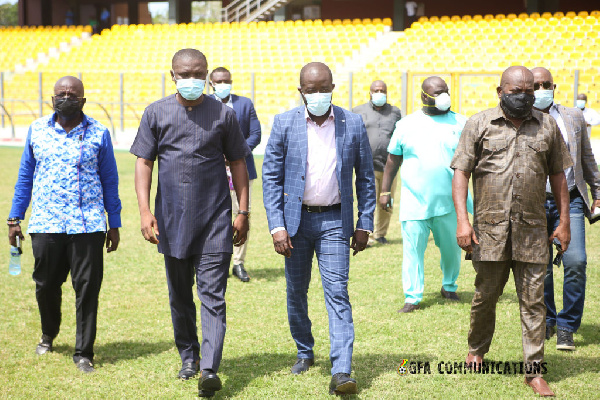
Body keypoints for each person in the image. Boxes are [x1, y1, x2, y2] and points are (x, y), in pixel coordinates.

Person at [130, 49, 250, 398]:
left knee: (213, 296)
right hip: (171, 220)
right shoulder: (156, 112)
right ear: (173, 76)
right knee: (180, 295)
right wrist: (144, 211)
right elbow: (143, 163)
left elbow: (239, 162)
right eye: (185, 74)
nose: (192, 79)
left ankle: (209, 369)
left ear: (208, 75)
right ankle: (188, 356)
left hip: (215, 220)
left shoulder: (224, 114)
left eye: (199, 73)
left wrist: (242, 211)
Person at [451, 66, 573, 397]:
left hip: (533, 231)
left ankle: (533, 371)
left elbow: (559, 176)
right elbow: (461, 173)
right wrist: (463, 220)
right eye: (515, 91)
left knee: (534, 302)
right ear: (500, 91)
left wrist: (565, 221)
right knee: (485, 296)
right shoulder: (478, 123)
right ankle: (476, 350)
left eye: (528, 92)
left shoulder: (546, 124)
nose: (522, 96)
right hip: (488, 231)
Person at [262, 62, 376, 396]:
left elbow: (366, 178)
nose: (317, 94)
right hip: (295, 223)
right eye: (310, 90)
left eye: (323, 88)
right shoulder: (284, 123)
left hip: (335, 222)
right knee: (296, 291)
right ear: (301, 91)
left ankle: (342, 370)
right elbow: (271, 178)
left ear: (333, 87)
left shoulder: (351, 123)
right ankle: (304, 350)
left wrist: (364, 223)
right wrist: (277, 225)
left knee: (337, 293)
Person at [7, 76, 121, 373]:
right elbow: (25, 179)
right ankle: (49, 333)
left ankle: (84, 351)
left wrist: (115, 223)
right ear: (52, 98)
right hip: (46, 221)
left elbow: (110, 180)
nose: (66, 97)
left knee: (86, 288)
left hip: (89, 223)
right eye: (61, 93)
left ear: (83, 100)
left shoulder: (99, 133)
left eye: (72, 94)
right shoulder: (36, 131)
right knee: (45, 284)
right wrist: (14, 218)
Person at [380, 76, 468, 313]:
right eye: (438, 92)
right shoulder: (407, 124)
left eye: (446, 91)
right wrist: (385, 190)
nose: (444, 96)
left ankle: (449, 286)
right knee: (412, 251)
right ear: (424, 96)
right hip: (414, 201)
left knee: (451, 249)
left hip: (450, 203)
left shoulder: (461, 123)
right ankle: (412, 296)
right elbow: (392, 158)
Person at [531, 67, 600, 351]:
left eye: (546, 84)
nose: (541, 89)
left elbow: (587, 158)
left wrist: (598, 192)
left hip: (569, 199)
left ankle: (567, 325)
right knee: (541, 267)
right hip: (534, 201)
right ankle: (547, 318)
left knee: (576, 261)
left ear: (555, 87)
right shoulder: (522, 119)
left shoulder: (573, 116)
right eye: (536, 85)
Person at [210, 67, 261, 282]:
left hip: (240, 171)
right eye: (219, 81)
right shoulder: (203, 104)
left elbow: (256, 134)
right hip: (212, 171)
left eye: (226, 81)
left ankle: (238, 263)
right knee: (214, 218)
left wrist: (236, 154)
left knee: (242, 214)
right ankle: (217, 261)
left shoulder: (245, 104)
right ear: (211, 83)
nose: (223, 84)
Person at [353, 80, 401, 246]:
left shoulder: (395, 112)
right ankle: (368, 233)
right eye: (376, 90)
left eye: (382, 90)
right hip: (367, 166)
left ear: (386, 92)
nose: (379, 93)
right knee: (368, 202)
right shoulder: (358, 111)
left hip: (390, 166)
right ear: (370, 93)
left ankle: (381, 234)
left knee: (387, 201)